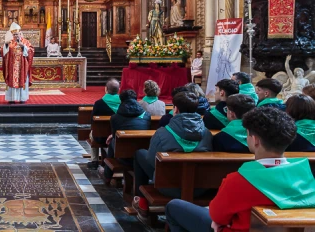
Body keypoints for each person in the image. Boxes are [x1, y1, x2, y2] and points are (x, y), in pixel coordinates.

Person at [165, 107, 315, 232]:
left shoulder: (238, 180)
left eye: (247, 133)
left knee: (175, 206)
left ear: (255, 139)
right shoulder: (306, 175)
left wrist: (218, 221)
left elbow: (217, 215)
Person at [133, 91, 213, 218]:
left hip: (167, 186)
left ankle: (142, 202)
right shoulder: (207, 133)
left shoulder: (162, 133)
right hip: (199, 187)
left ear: (175, 109)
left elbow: (150, 160)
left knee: (140, 154)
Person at [105, 90, 151, 173]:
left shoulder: (115, 117)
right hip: (142, 154)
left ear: (121, 101)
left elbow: (115, 136)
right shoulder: (147, 115)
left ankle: (107, 174)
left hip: (123, 156)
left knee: (113, 141)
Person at [87, 78, 121, 170]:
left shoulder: (99, 103)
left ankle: (94, 161)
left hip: (100, 137)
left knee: (93, 133)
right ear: (119, 89)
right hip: (119, 136)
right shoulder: (123, 103)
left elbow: (92, 121)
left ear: (106, 89)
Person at [0, 22, 35, 104]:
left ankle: (22, 98)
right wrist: (6, 45)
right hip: (12, 67)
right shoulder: (9, 42)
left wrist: (23, 47)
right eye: (14, 34)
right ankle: (11, 98)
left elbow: (31, 51)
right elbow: (2, 51)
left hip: (22, 67)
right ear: (12, 35)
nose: (16, 36)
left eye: (17, 34)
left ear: (20, 33)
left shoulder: (25, 42)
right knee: (12, 80)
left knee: (22, 80)